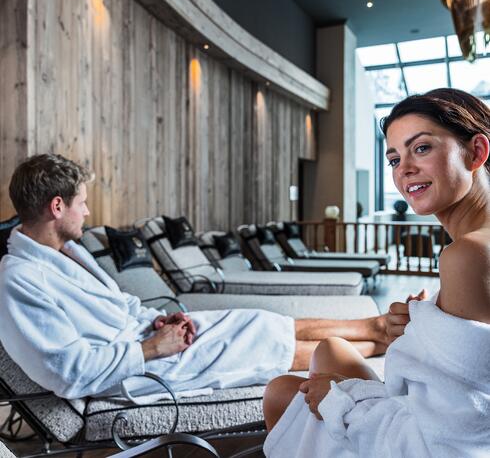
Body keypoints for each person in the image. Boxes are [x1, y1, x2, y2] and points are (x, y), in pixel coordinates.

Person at [0, 153, 389, 401]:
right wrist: (151, 348)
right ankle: (386, 347)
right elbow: (67, 372)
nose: (86, 212)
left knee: (258, 320)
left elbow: (122, 305)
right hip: (132, 372)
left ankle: (377, 327)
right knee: (259, 349)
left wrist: (156, 322)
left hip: (147, 341)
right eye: (81, 203)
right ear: (57, 206)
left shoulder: (69, 253)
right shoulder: (21, 279)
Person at [263, 88, 490, 457]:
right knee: (330, 349)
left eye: (421, 148)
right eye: (395, 158)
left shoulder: (467, 254)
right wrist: (424, 327)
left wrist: (344, 404)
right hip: (440, 420)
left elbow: (451, 446)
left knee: (281, 393)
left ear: (476, 152)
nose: (404, 169)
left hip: (430, 444)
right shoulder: (474, 246)